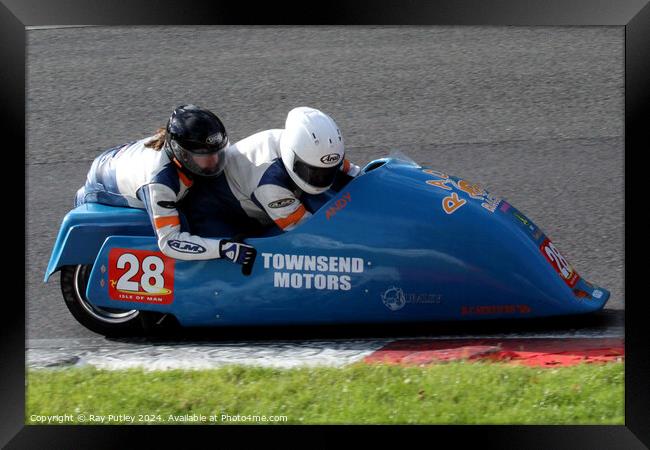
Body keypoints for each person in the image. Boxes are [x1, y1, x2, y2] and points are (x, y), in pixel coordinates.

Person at [74, 104, 256, 267]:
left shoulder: (199, 148)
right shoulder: (159, 182)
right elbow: (169, 242)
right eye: (204, 156)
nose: (214, 161)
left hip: (121, 159)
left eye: (218, 152)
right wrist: (222, 249)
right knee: (185, 221)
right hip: (102, 183)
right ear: (182, 154)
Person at [180, 106, 361, 234]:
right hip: (217, 215)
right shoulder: (269, 183)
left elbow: (357, 175)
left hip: (256, 198)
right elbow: (308, 233)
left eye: (327, 171)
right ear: (292, 157)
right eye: (315, 172)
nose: (322, 178)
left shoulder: (316, 154)